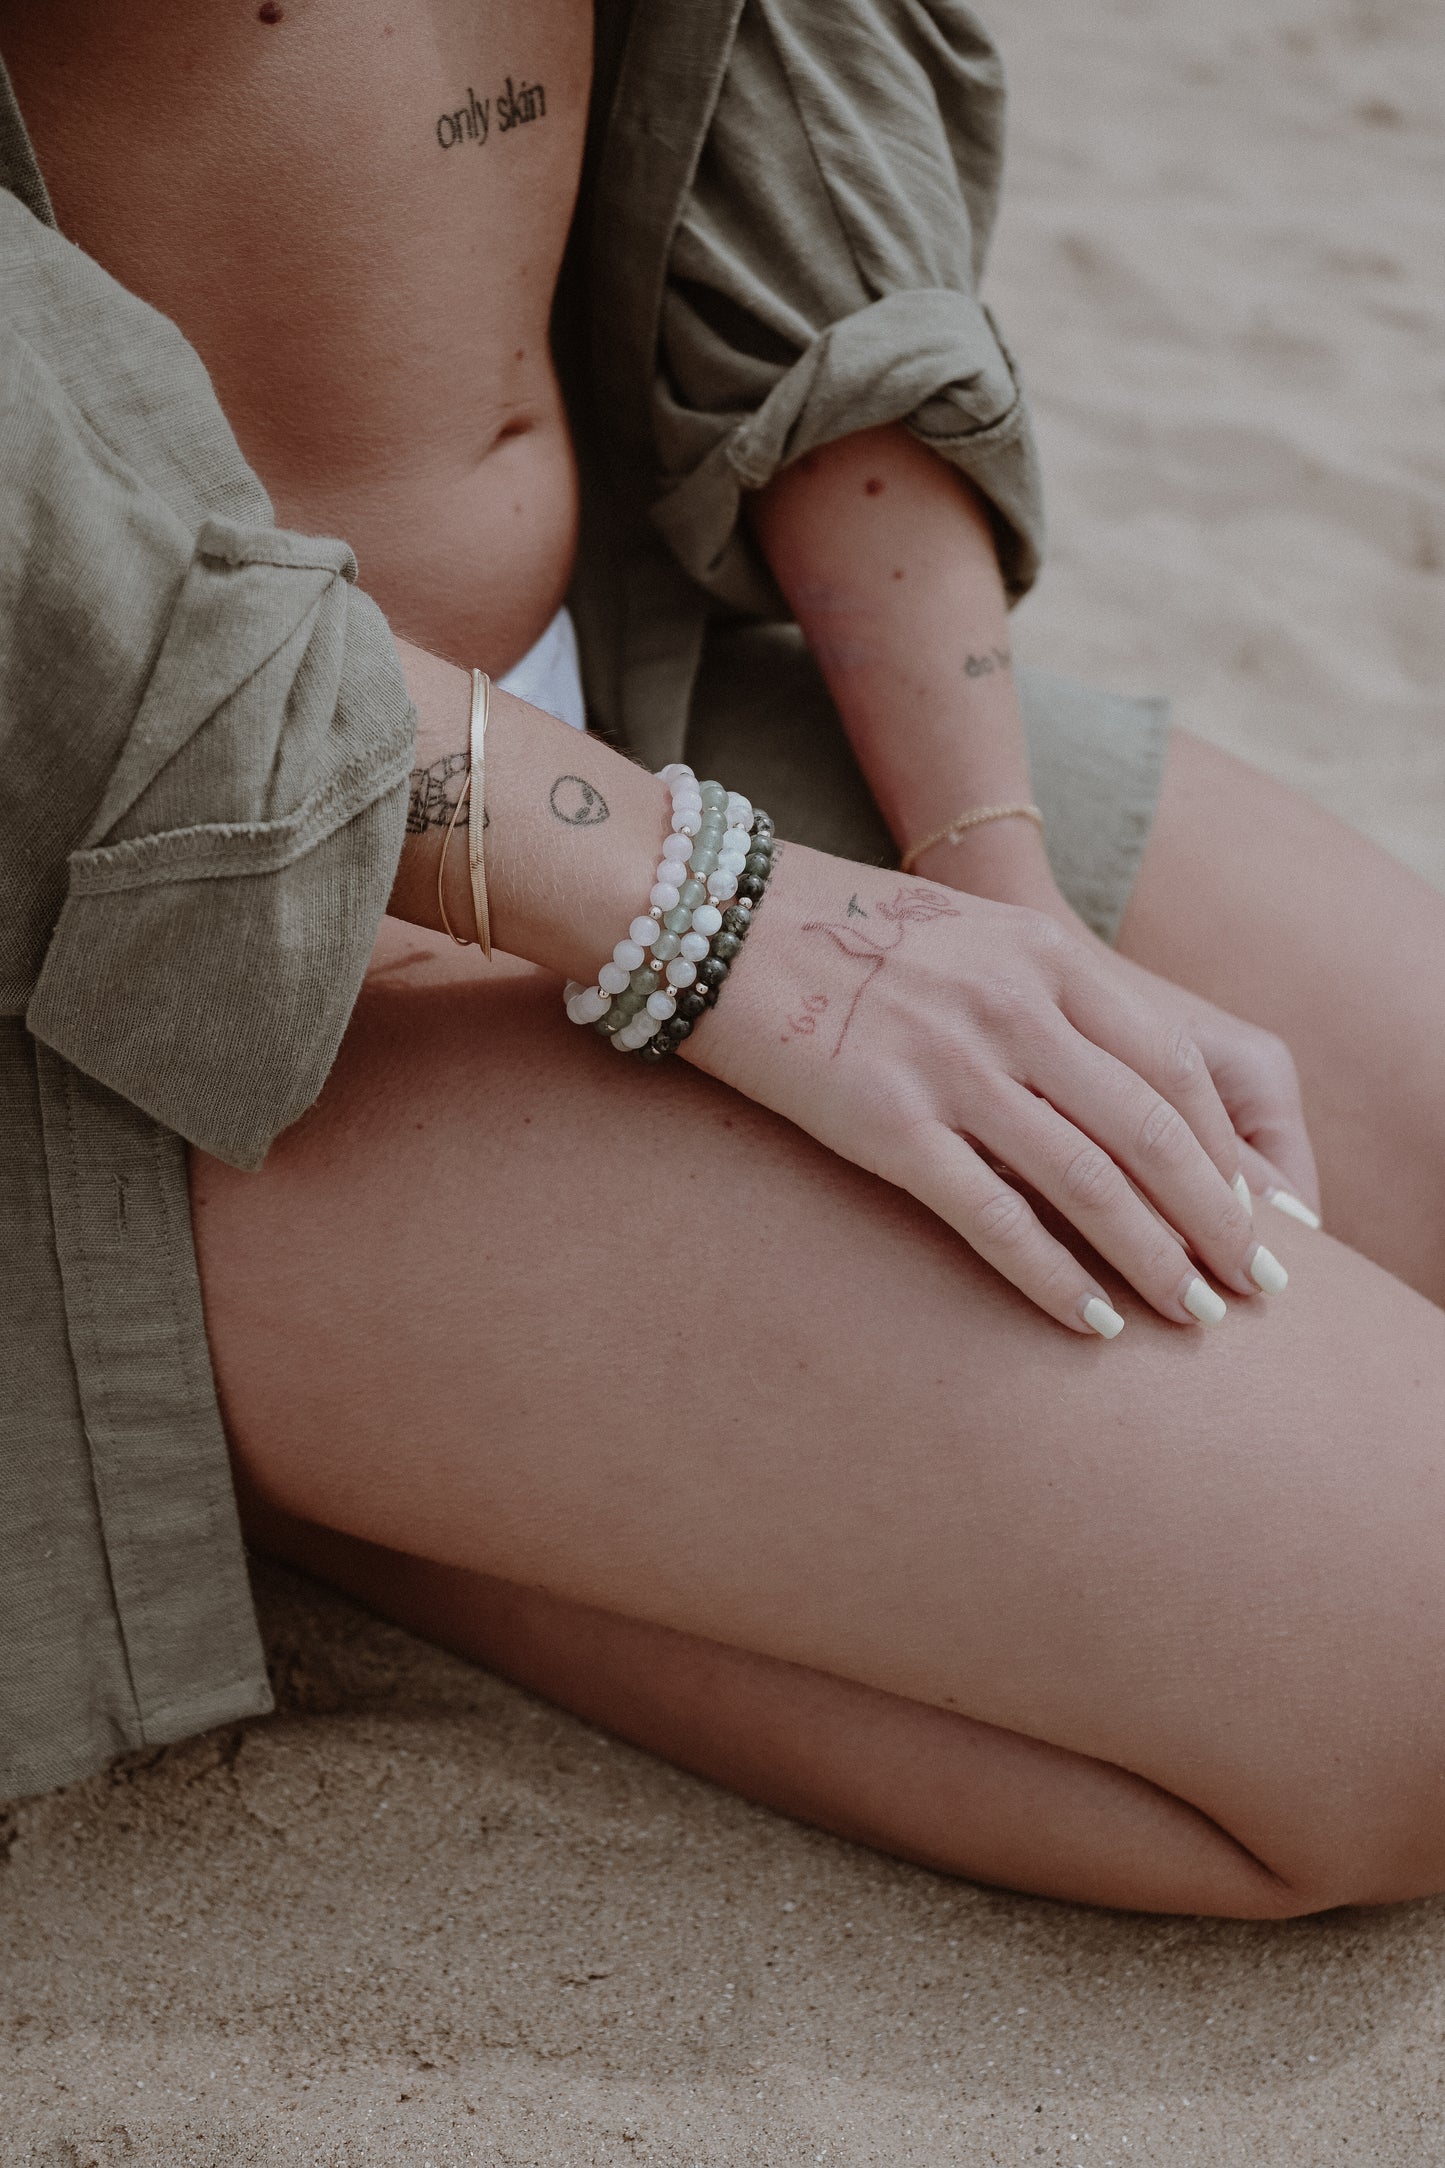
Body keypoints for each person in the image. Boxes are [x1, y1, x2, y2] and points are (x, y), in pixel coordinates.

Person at [2, 0, 1444, 1921]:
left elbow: (784, 154)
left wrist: (978, 872)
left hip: (629, 699)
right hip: (159, 937)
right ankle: (235, 1448)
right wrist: (745, 935)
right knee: (1403, 1676)